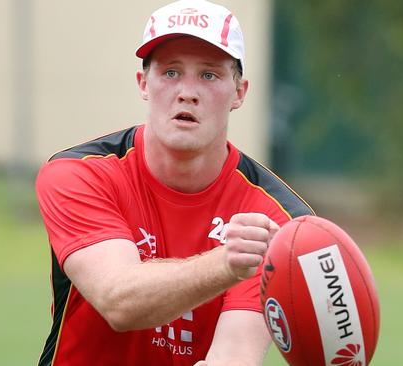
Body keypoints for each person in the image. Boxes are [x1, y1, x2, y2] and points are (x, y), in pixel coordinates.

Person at [35, 0, 313, 365]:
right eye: (170, 73)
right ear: (143, 83)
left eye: (209, 75)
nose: (187, 92)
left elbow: (234, 355)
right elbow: (118, 301)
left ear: (240, 92)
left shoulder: (276, 220)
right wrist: (228, 262)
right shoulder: (79, 174)